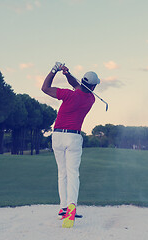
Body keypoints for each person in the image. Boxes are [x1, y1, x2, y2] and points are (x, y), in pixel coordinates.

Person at [41, 62, 100, 228]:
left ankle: (63, 208)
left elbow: (45, 88)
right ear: (93, 86)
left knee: (62, 173)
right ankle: (71, 207)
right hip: (73, 138)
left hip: (57, 136)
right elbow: (77, 86)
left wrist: (55, 70)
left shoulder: (68, 95)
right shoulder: (91, 99)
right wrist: (67, 74)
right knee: (73, 173)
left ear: (83, 81)